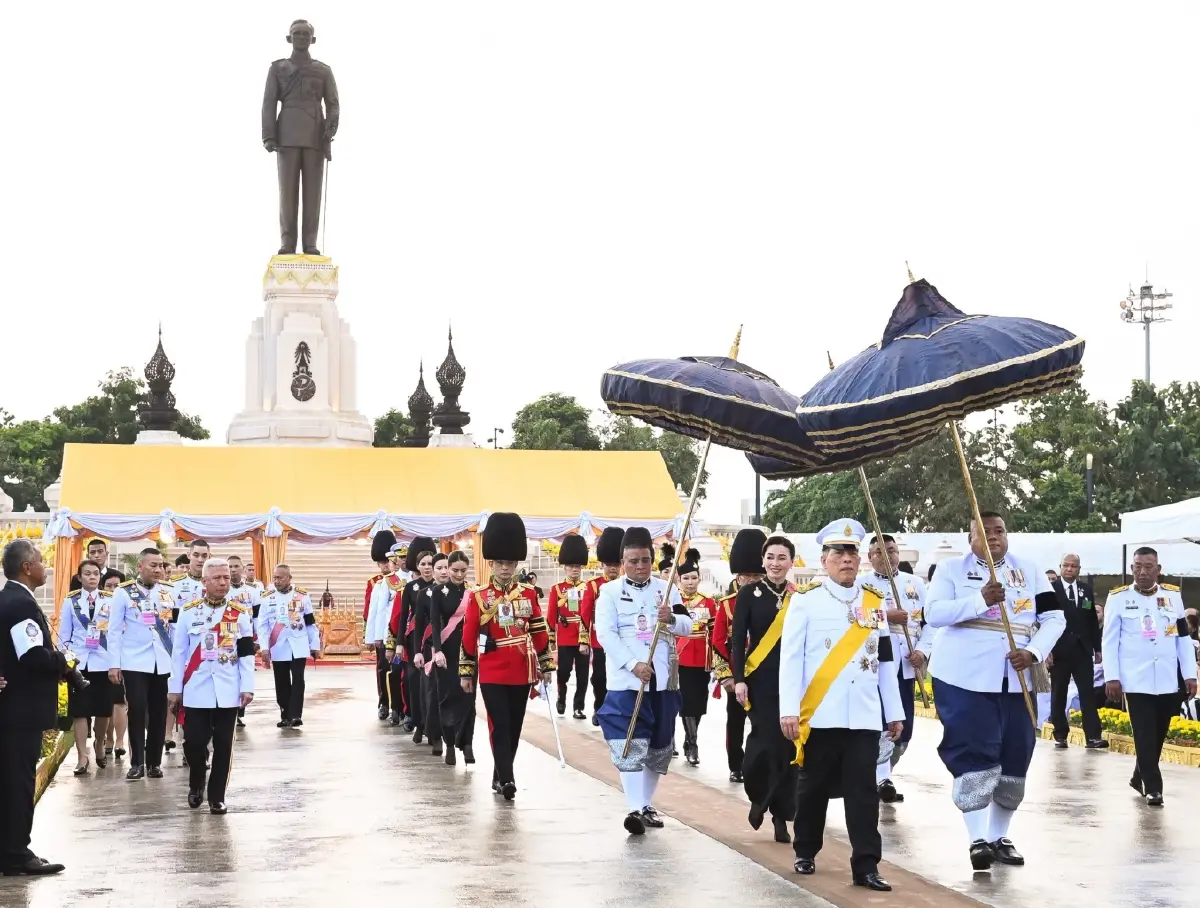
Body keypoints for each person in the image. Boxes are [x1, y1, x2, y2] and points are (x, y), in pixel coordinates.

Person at [925, 511, 1065, 870]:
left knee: (1017, 752)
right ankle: (977, 840)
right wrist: (980, 600)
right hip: (964, 677)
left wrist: (1034, 651)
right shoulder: (951, 570)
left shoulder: (1030, 570)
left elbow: (1054, 617)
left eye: (999, 530)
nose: (993, 536)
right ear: (970, 538)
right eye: (984, 531)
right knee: (974, 751)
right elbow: (934, 614)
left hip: (1018, 676)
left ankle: (999, 836)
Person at [779, 519, 904, 892]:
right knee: (813, 787)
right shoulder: (806, 600)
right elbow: (791, 659)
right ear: (824, 559)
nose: (846, 559)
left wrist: (893, 710)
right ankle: (805, 849)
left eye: (851, 552)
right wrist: (789, 709)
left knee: (863, 791)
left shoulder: (873, 601)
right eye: (838, 552)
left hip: (863, 713)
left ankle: (866, 865)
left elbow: (885, 660)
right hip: (821, 712)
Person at [594, 526, 690, 834]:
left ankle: (646, 804)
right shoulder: (609, 593)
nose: (640, 566)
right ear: (623, 561)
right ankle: (633, 808)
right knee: (629, 744)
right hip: (626, 682)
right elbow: (605, 634)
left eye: (645, 560)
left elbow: (688, 625)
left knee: (659, 747)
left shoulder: (667, 589)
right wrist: (633, 664)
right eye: (633, 561)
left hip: (663, 682)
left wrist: (671, 618)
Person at [459, 513, 553, 800]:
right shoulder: (479, 596)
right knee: (499, 724)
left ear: (516, 565)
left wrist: (547, 664)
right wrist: (466, 671)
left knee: (514, 726)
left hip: (521, 669)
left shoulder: (528, 594)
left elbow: (538, 630)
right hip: (492, 668)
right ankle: (508, 779)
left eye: (509, 563)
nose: (504, 568)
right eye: (500, 563)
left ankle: (500, 774)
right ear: (491, 564)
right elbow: (468, 635)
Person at [1102, 547, 1197, 807]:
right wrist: (1112, 677)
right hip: (1135, 678)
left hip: (1166, 677)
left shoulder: (1172, 596)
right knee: (1144, 732)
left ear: (1158, 569)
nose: (1142, 571)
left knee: (1157, 733)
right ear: (1131, 568)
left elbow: (1182, 638)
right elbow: (1109, 642)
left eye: (1148, 566)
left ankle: (1138, 776)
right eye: (1138, 566)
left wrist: (1189, 674)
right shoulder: (1119, 598)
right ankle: (1154, 788)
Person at [0, 539, 67, 876]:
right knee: (18, 782)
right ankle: (16, 854)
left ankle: (9, 850)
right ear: (27, 567)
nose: (45, 567)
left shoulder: (10, 599)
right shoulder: (20, 603)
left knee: (10, 781)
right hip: (20, 709)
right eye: (41, 561)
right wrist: (62, 661)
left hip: (13, 707)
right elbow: (32, 656)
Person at [169, 558, 255, 814]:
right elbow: (178, 653)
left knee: (224, 744)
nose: (223, 582)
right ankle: (196, 782)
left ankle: (217, 796)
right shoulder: (188, 612)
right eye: (217, 578)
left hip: (228, 688)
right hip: (196, 687)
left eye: (226, 577)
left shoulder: (240, 613)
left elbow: (246, 654)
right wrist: (175, 688)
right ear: (204, 581)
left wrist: (247, 686)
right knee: (194, 742)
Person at [731, 535, 800, 844]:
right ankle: (759, 796)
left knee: (788, 747)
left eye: (782, 557)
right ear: (763, 560)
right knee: (763, 744)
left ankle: (781, 815)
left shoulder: (800, 596)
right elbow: (737, 640)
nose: (775, 563)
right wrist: (739, 679)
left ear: (791, 562)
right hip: (759, 681)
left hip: (793, 681)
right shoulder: (749, 593)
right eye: (770, 557)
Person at [866, 534, 934, 803]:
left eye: (892, 550)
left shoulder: (915, 584)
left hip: (907, 661)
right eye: (879, 552)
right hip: (876, 664)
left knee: (904, 729)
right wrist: (886, 616)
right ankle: (882, 779)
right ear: (870, 557)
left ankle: (883, 773)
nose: (887, 556)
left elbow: (931, 623)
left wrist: (923, 651)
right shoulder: (861, 585)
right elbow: (856, 618)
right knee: (883, 721)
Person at [108, 548, 178, 781]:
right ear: (140, 566)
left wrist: (178, 661)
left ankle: (154, 763)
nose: (158, 570)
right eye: (153, 565)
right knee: (137, 709)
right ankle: (137, 762)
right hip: (134, 661)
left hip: (162, 661)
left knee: (159, 712)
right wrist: (114, 664)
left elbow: (175, 628)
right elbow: (114, 630)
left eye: (160, 565)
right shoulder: (123, 592)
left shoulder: (169, 591)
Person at [711, 528, 766, 783]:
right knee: (735, 723)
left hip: (765, 674)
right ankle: (736, 764)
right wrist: (726, 677)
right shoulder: (727, 604)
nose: (752, 580)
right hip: (737, 673)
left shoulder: (775, 601)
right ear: (738, 576)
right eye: (747, 576)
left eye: (757, 575)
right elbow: (717, 642)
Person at [57, 561, 116, 774]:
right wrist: (66, 662)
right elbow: (64, 635)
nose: (92, 577)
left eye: (96, 573)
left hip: (103, 661)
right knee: (80, 711)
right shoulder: (71, 601)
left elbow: (116, 632)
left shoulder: (110, 599)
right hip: (79, 662)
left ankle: (99, 743)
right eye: (87, 573)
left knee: (103, 710)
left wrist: (116, 662)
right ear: (80, 577)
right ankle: (82, 756)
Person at [1047, 553, 1104, 749]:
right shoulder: (1051, 589)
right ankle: (1060, 734)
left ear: (1079, 569)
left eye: (1074, 566)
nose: (1070, 569)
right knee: (1059, 692)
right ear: (1060, 567)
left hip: (1082, 649)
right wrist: (1046, 649)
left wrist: (1097, 648)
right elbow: (1044, 620)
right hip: (1059, 650)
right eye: (1066, 565)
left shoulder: (1085, 589)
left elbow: (1092, 620)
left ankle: (1093, 736)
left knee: (1087, 692)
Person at [258, 564, 319, 728]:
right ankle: (285, 714)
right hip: (278, 645)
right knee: (281, 680)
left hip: (298, 644)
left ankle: (296, 715)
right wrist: (264, 647)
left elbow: (310, 623)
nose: (277, 581)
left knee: (298, 679)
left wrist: (314, 645)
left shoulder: (302, 596)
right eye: (275, 577)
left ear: (289, 578)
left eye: (280, 577)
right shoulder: (267, 597)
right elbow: (262, 625)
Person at [429, 550, 476, 764]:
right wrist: (437, 650)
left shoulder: (473, 592)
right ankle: (449, 743)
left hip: (468, 651)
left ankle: (467, 743)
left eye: (463, 570)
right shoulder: (438, 592)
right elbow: (435, 623)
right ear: (447, 569)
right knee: (447, 698)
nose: (458, 574)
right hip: (446, 651)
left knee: (468, 699)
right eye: (455, 570)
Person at [580, 527, 624, 725]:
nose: (612, 568)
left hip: (622, 639)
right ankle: (599, 707)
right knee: (599, 678)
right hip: (600, 641)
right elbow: (585, 614)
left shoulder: (626, 584)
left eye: (616, 564)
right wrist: (583, 641)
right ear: (602, 564)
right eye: (608, 565)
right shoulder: (593, 585)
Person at [676, 548, 716, 767]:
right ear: (679, 580)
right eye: (686, 578)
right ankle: (692, 743)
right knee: (686, 700)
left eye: (693, 578)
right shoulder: (674, 601)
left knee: (698, 702)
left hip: (702, 658)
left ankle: (690, 737)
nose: (690, 582)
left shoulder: (708, 603)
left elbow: (715, 631)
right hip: (679, 657)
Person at [548, 535, 591, 719]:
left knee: (583, 675)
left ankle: (578, 707)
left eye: (578, 567)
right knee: (563, 672)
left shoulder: (588, 588)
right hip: (565, 637)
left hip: (584, 636)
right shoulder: (557, 589)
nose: (575, 570)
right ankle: (561, 697)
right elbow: (551, 615)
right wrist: (551, 638)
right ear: (565, 568)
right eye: (572, 566)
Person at [398, 539, 436, 744]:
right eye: (423, 564)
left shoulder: (441, 587)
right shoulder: (411, 587)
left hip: (435, 638)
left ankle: (431, 725)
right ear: (417, 566)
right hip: (415, 639)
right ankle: (418, 722)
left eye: (430, 564)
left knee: (432, 683)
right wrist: (399, 643)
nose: (427, 567)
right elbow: (403, 616)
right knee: (414, 682)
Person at [413, 552, 449, 756]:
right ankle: (436, 736)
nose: (444, 571)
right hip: (431, 649)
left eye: (446, 567)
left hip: (453, 648)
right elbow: (419, 626)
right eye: (439, 568)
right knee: (432, 693)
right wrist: (417, 652)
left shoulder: (461, 593)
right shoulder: (423, 594)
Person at [364, 530, 397, 721]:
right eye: (382, 562)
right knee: (382, 667)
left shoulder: (401, 580)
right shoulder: (374, 583)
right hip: (381, 632)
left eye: (387, 561)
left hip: (396, 631)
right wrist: (370, 636)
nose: (385, 565)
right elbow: (369, 611)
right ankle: (383, 702)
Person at [225, 555, 261, 728]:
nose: (233, 570)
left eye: (236, 566)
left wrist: (258, 638)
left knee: (243, 672)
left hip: (246, 637)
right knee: (230, 672)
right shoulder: (222, 589)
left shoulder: (252, 591)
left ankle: (239, 711)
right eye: (230, 567)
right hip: (226, 637)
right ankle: (229, 710)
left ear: (242, 569)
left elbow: (258, 616)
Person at [101, 571, 129, 762]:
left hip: (120, 659)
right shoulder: (96, 604)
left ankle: (119, 741)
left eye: (116, 586)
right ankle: (108, 739)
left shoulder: (128, 604)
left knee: (119, 702)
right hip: (100, 658)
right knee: (106, 703)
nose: (112, 589)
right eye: (108, 586)